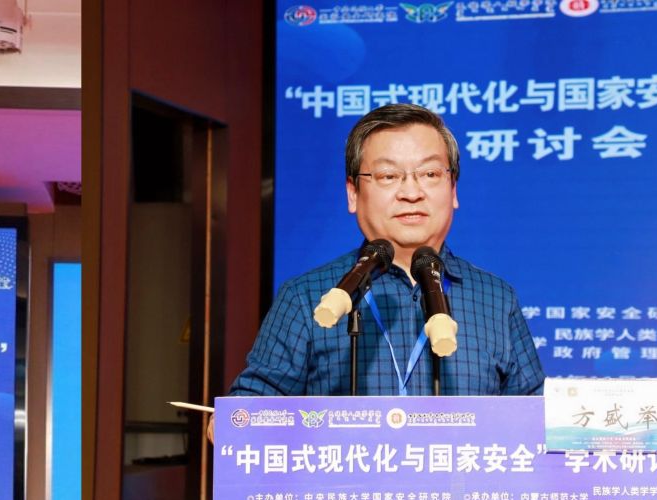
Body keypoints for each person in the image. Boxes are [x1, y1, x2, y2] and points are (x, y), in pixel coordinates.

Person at [228, 103, 544, 399]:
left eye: (430, 174)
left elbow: (536, 419)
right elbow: (249, 409)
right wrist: (229, 423)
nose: (411, 192)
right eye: (388, 176)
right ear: (353, 193)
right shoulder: (305, 297)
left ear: (453, 190)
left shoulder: (496, 299)